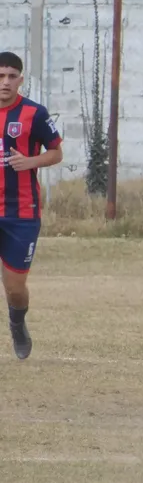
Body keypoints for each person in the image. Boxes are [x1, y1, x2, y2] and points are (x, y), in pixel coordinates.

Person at [0, 51, 63, 360]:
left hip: (21, 214)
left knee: (15, 289)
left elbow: (56, 153)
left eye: (12, 76)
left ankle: (17, 323)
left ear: (20, 80)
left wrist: (30, 162)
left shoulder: (34, 113)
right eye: (1, 76)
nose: (5, 82)